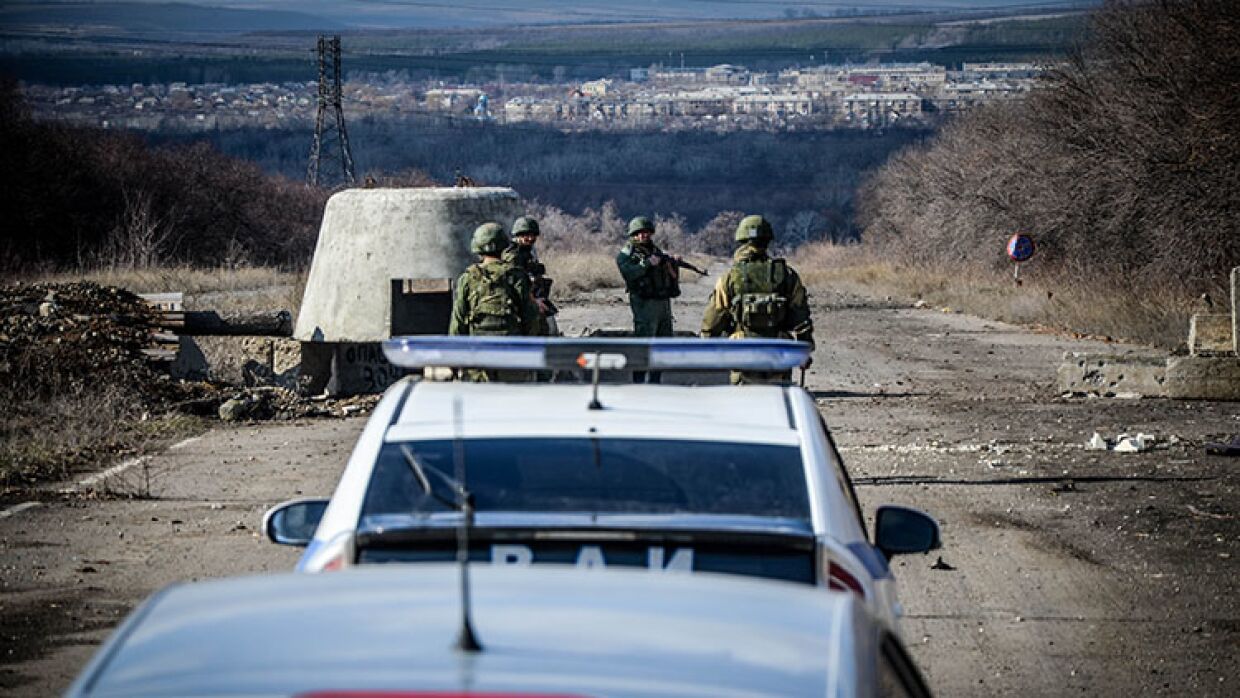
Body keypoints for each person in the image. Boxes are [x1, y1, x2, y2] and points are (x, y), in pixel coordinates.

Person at [701, 214, 814, 385]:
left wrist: (707, 347)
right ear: (768, 240)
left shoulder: (730, 277)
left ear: (741, 240)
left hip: (741, 351)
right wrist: (804, 351)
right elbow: (801, 318)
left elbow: (713, 319)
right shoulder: (786, 274)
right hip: (778, 351)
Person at [450, 222, 541, 381]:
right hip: (511, 357)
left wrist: (454, 359)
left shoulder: (467, 279)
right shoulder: (515, 276)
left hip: (477, 359)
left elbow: (457, 322)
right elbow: (531, 318)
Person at [616, 216, 681, 383]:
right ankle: (638, 382)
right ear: (633, 234)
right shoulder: (628, 253)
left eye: (646, 232)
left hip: (662, 305)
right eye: (639, 233)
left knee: (662, 345)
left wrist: (671, 264)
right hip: (644, 305)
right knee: (643, 345)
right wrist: (646, 264)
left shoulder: (655, 251)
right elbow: (628, 272)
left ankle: (655, 381)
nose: (643, 236)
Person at [503, 216, 556, 336]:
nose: (530, 238)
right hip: (519, 301)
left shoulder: (526, 252)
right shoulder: (512, 256)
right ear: (518, 235)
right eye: (526, 235)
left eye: (533, 235)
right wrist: (534, 301)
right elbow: (515, 284)